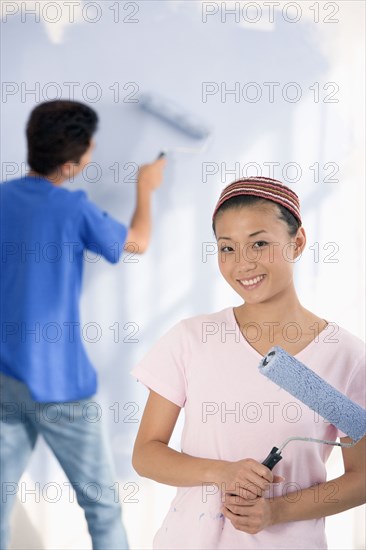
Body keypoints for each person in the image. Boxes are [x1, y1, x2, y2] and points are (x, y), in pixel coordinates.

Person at [131, 177, 365, 549]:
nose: (243, 264)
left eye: (260, 243)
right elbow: (146, 454)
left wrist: (277, 511)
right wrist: (221, 472)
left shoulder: (344, 355)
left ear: (298, 242)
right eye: (227, 248)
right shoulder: (192, 339)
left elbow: (362, 477)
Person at [0, 99, 166, 550]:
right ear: (73, 164)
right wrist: (146, 188)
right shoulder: (74, 209)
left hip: (4, 377)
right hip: (61, 386)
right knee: (101, 508)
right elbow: (139, 243)